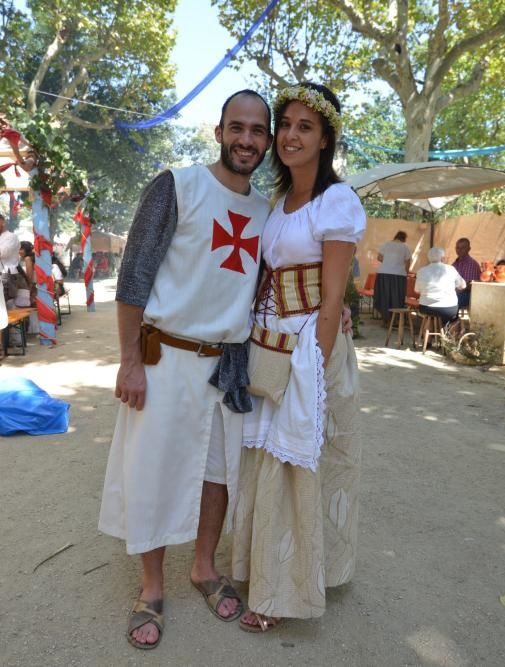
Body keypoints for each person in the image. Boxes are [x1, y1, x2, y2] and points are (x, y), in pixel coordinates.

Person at [98, 89, 274, 650]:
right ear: (219, 132)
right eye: (237, 128)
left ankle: (203, 567)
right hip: (166, 357)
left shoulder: (265, 210)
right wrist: (130, 361)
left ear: (267, 141)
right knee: (155, 471)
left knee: (217, 474)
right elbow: (135, 278)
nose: (247, 139)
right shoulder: (178, 185)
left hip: (226, 365)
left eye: (257, 131)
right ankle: (151, 588)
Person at [231, 82, 365, 632]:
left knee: (300, 464)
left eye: (305, 127)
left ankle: (283, 594)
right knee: (269, 464)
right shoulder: (276, 205)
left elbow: (333, 297)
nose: (289, 135)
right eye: (285, 124)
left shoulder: (337, 201)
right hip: (272, 342)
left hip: (312, 346)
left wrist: (316, 367)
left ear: (326, 138)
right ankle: (266, 568)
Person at [415, 246, 466, 324]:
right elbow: (463, 285)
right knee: (453, 317)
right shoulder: (450, 269)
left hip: (425, 308)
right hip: (448, 309)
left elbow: (417, 290)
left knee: (432, 315)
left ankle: (430, 331)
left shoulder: (421, 271)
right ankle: (448, 333)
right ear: (442, 258)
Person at [373, 231, 412, 323]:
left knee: (384, 295)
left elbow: (379, 258)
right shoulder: (405, 247)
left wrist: (388, 262)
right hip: (398, 275)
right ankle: (395, 319)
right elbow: (408, 262)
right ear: (404, 238)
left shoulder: (386, 244)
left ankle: (385, 318)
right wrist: (405, 273)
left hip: (383, 273)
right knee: (396, 297)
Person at [451, 237, 481, 308]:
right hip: (456, 292)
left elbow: (469, 285)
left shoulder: (471, 264)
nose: (459, 250)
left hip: (467, 295)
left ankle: (447, 317)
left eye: (463, 248)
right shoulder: (455, 263)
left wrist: (454, 291)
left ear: (469, 249)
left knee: (444, 302)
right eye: (458, 247)